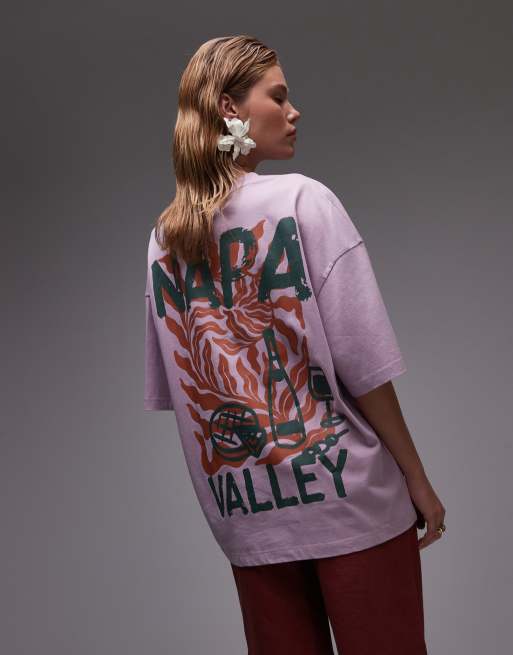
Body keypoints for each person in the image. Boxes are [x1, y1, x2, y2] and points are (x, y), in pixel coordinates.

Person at [144, 35, 446, 655]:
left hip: (247, 515)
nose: (293, 111)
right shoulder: (304, 200)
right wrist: (416, 477)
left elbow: (184, 392)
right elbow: (364, 366)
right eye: (278, 96)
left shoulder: (164, 240)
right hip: (351, 500)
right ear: (229, 108)